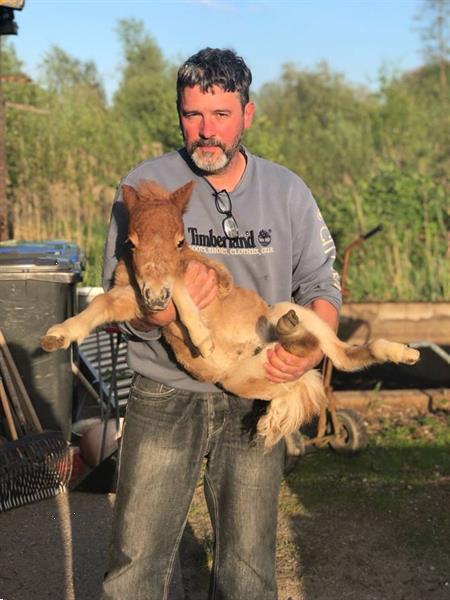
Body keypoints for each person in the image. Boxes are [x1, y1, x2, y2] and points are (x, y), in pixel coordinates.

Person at [101, 47, 341, 600]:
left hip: (255, 388)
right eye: (192, 115)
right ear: (179, 114)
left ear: (247, 115)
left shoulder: (287, 191)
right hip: (165, 390)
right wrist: (159, 311)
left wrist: (307, 352)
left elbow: (323, 287)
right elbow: (120, 300)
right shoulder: (142, 187)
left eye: (221, 115)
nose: (205, 131)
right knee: (136, 565)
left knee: (248, 569)